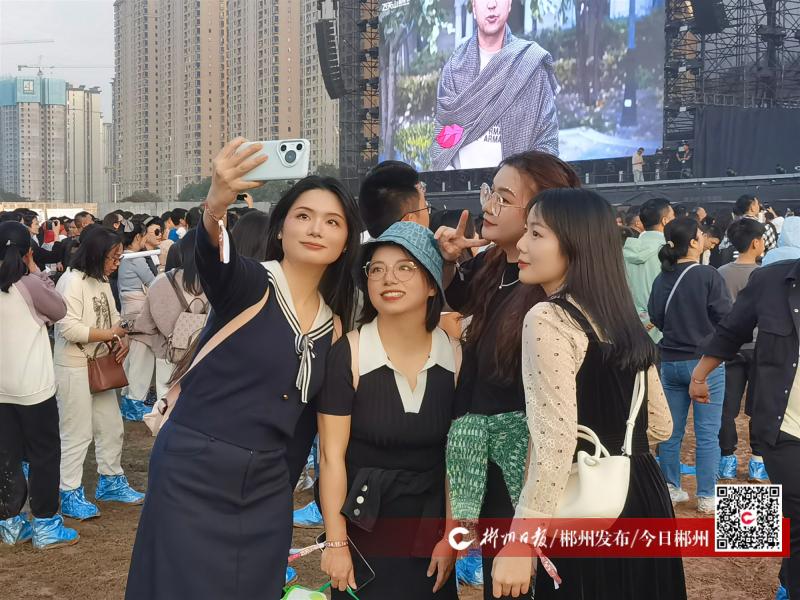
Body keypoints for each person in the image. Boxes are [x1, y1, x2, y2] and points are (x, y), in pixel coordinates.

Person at [125, 139, 361, 600]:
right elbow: (216, 261)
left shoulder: (333, 328)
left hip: (266, 490)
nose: (316, 229)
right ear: (281, 229)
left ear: (345, 242)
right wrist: (216, 204)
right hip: (193, 471)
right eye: (303, 216)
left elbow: (303, 430)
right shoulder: (253, 282)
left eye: (332, 222)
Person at [491, 187, 684, 599]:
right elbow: (661, 425)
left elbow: (555, 445)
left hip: (588, 503)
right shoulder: (622, 318)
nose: (522, 244)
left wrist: (521, 539)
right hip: (643, 492)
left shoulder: (548, 318)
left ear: (576, 244)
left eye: (536, 233)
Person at [435, 151, 580, 600]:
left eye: (503, 197)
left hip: (526, 465)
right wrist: (450, 262)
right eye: (489, 193)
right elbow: (464, 301)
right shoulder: (496, 264)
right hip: (490, 452)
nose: (489, 207)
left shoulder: (550, 296)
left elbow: (554, 428)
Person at [318, 221, 458, 599]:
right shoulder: (349, 354)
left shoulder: (455, 356)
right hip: (364, 524)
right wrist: (336, 543)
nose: (388, 278)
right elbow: (331, 456)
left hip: (429, 530)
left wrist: (451, 535)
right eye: (376, 269)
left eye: (405, 267)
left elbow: (457, 457)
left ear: (432, 284)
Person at [691, 260, 800, 600]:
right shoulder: (770, 280)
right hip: (786, 426)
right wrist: (699, 374)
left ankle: (788, 579)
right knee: (797, 511)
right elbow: (731, 331)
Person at [54, 226, 144, 521]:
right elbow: (67, 329)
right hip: (74, 366)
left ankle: (111, 481)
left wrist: (121, 338)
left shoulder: (101, 281)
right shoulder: (71, 282)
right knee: (76, 433)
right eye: (113, 257)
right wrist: (111, 334)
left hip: (102, 365)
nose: (116, 263)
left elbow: (115, 317)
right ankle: (69, 492)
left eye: (119, 257)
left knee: (111, 426)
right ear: (96, 254)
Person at [0, 222, 79, 549]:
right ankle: (46, 524)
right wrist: (36, 270)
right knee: (44, 455)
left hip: (1, 388)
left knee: (6, 455)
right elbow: (59, 309)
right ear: (28, 252)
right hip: (34, 387)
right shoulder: (29, 284)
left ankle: (10, 523)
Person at [648, 217, 732, 513]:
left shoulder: (662, 278)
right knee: (707, 433)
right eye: (700, 234)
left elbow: (656, 317)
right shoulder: (708, 275)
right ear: (694, 242)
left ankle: (671, 487)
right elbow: (726, 317)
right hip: (704, 365)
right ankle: (707, 496)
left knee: (671, 431)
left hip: (670, 362)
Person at [431, 0, 558, 170]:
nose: (491, 4)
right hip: (462, 184)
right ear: (473, 6)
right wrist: (449, 176)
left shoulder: (531, 64)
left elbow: (547, 141)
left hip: (519, 185)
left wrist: (522, 180)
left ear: (509, 4)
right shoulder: (454, 69)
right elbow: (442, 138)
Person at [716, 218, 768, 482]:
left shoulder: (721, 272)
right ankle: (758, 462)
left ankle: (727, 460)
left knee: (727, 407)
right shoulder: (765, 273)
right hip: (759, 347)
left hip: (730, 347)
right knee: (760, 405)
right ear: (756, 242)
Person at [117, 219, 159, 422]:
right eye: (143, 236)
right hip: (140, 315)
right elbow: (154, 283)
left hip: (128, 314)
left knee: (132, 359)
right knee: (141, 361)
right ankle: (135, 404)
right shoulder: (137, 258)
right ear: (137, 237)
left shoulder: (123, 257)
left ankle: (128, 402)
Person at [623, 198, 675, 343]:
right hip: (662, 327)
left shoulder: (625, 250)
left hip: (630, 325)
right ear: (665, 221)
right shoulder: (669, 251)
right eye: (673, 217)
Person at [359, 161, 430, 239]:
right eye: (426, 207)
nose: (429, 214)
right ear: (410, 222)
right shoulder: (432, 244)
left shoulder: (362, 243)